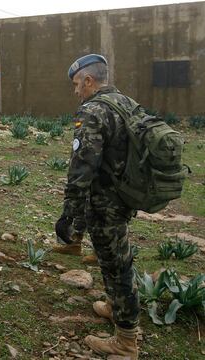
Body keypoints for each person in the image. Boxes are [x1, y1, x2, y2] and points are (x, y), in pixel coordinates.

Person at [57, 54, 140, 359]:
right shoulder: (125, 103)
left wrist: (70, 213)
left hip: (105, 203)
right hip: (125, 196)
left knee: (117, 266)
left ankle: (126, 341)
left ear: (89, 81)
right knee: (112, 257)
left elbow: (83, 166)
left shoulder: (94, 110)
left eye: (77, 84)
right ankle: (115, 307)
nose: (76, 91)